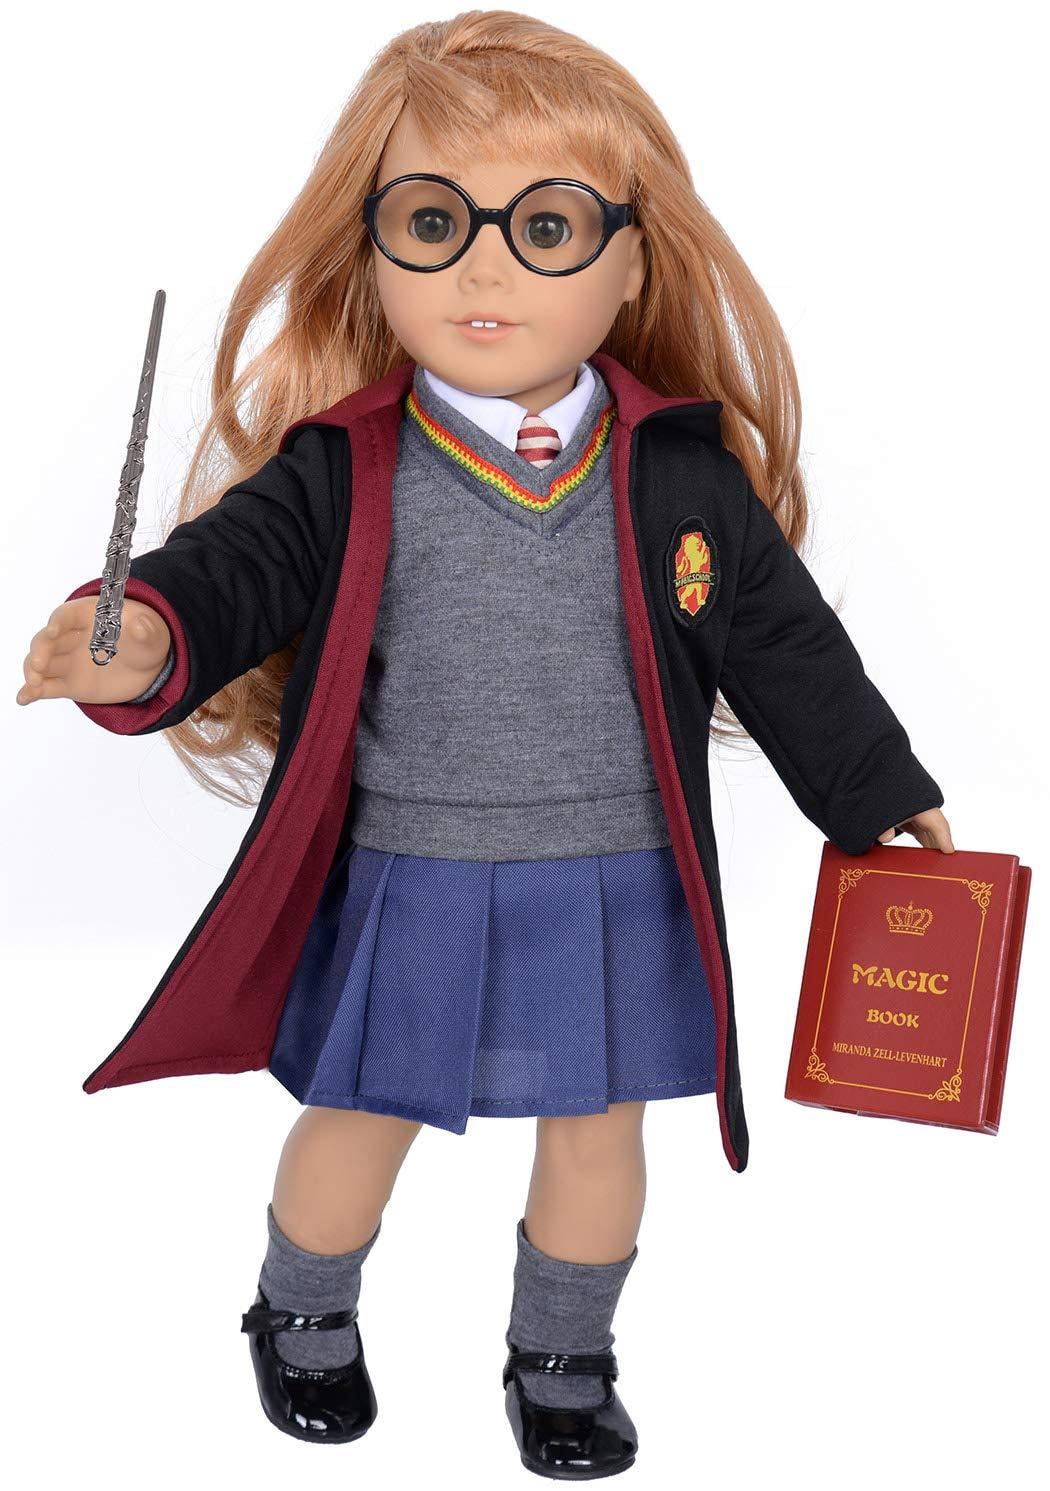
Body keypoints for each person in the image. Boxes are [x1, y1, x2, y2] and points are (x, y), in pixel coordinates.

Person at [16, 10, 953, 1480]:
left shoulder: (679, 475)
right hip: (415, 867)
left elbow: (787, 649)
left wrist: (877, 794)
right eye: (434, 222)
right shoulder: (345, 468)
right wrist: (141, 641)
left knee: (598, 1133)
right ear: (372, 253)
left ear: (632, 265)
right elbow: (224, 577)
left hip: (618, 873)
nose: (485, 267)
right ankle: (301, 1312)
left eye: (549, 225)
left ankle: (562, 1358)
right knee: (360, 1115)